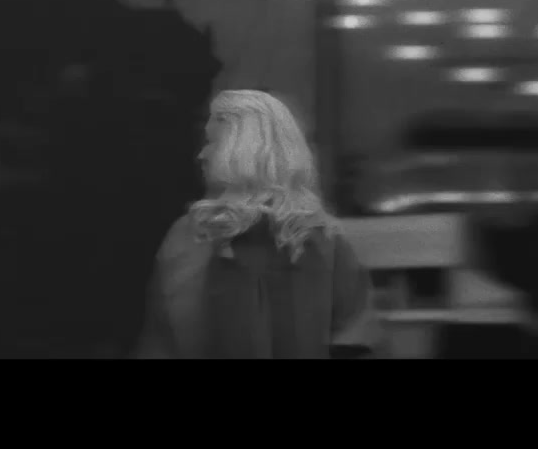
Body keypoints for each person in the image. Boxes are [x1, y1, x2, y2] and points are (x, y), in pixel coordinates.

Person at [134, 90, 379, 359]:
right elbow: (161, 340)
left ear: (244, 152)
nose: (202, 155)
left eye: (212, 143)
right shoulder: (190, 238)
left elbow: (356, 342)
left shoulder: (323, 244)